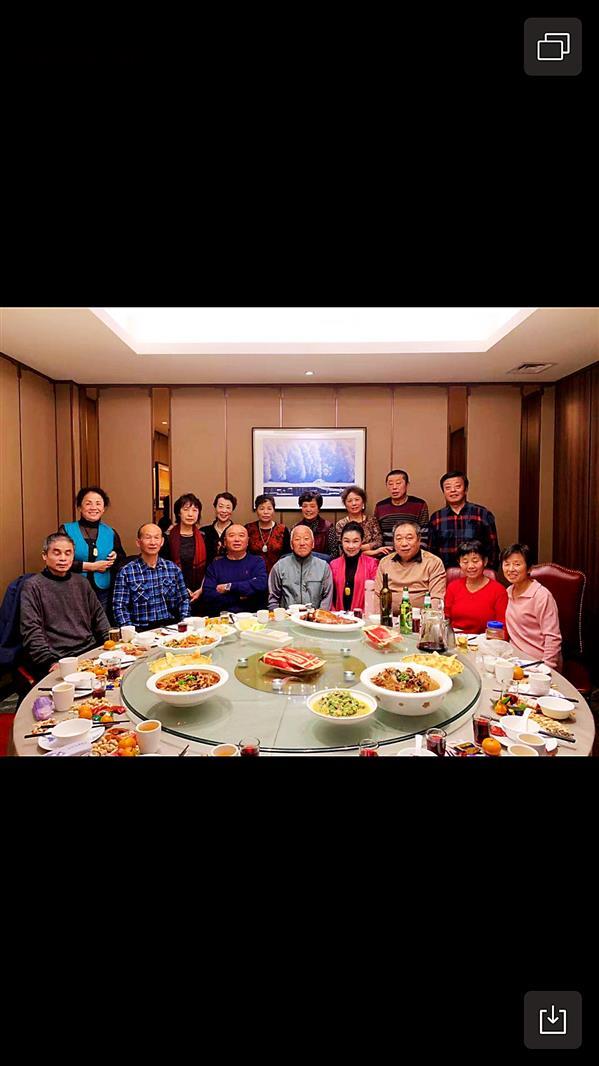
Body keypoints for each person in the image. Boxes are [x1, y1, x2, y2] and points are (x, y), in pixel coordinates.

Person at [20, 532, 110, 680]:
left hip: (88, 651)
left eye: (68, 553)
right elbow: (31, 629)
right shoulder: (33, 586)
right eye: (57, 553)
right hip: (57, 658)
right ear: (44, 555)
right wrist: (48, 662)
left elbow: (99, 617)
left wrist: (111, 644)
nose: (63, 558)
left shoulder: (82, 583)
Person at [60, 485, 126, 617]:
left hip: (103, 591)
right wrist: (91, 567)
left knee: (100, 625)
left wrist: (115, 556)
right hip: (72, 589)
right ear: (79, 507)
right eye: (88, 503)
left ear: (103, 508)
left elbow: (122, 558)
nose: (93, 507)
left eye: (98, 503)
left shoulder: (111, 532)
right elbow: (59, 561)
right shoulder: (66, 530)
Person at [112, 524, 190, 629]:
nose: (153, 542)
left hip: (171, 628)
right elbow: (119, 607)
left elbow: (184, 600)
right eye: (148, 538)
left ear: (162, 541)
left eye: (156, 538)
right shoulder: (126, 572)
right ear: (138, 542)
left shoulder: (173, 569)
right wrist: (130, 631)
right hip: (141, 630)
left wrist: (183, 623)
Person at [502, 543, 562, 669]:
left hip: (537, 662)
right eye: (507, 564)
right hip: (514, 660)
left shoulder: (541, 596)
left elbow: (552, 638)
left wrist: (547, 668)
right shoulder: (508, 592)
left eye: (517, 564)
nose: (511, 569)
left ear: (529, 568)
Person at [428, 470, 499, 570]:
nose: (453, 490)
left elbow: (493, 548)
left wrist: (489, 571)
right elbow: (431, 551)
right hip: (444, 573)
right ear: (443, 492)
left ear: (465, 489)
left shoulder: (482, 514)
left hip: (476, 572)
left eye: (457, 486)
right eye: (448, 488)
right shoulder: (437, 518)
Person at [373, 519, 446, 613]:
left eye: (409, 538)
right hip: (389, 618)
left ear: (419, 540)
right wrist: (377, 619)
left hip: (421, 619)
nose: (404, 544)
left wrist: (427, 620)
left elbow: (436, 599)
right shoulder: (385, 562)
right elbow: (377, 595)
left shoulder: (433, 562)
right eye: (398, 539)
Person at [444, 540, 508, 634]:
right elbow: (445, 618)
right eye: (465, 562)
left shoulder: (498, 590)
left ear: (485, 561)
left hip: (485, 640)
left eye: (475, 561)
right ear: (459, 563)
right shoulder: (453, 587)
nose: (470, 566)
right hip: (456, 638)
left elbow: (503, 628)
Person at [202, 525, 268, 614]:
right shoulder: (215, 565)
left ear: (247, 541)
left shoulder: (257, 561)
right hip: (223, 618)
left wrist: (229, 587)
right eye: (232, 535)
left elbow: (260, 585)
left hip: (253, 617)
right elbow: (208, 596)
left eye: (241, 535)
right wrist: (239, 597)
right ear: (225, 541)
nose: (237, 539)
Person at [161, 493, 207, 615]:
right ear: (178, 513)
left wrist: (201, 589)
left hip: (200, 592)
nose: (190, 514)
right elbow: (164, 568)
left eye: (195, 510)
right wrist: (182, 588)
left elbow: (210, 567)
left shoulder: (204, 537)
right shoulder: (168, 537)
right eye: (186, 509)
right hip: (173, 592)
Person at [268, 526, 334, 610]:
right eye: (297, 539)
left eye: (306, 539)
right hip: (287, 616)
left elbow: (327, 598)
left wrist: (318, 616)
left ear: (313, 543)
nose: (302, 543)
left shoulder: (324, 567)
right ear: (291, 545)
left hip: (315, 616)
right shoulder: (279, 566)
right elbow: (273, 599)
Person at [374, 470, 429, 552]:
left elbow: (424, 534)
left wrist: (416, 554)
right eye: (390, 484)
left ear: (407, 485)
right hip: (387, 555)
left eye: (398, 483)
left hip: (413, 554)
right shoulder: (380, 506)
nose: (394, 487)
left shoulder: (419, 504)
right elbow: (377, 535)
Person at [329, 522, 379, 613]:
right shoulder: (333, 565)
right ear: (341, 541)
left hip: (364, 617)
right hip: (338, 617)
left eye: (355, 541)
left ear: (361, 541)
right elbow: (329, 596)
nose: (351, 546)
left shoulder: (372, 564)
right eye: (346, 541)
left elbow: (376, 595)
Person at [331, 486, 383, 559]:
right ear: (345, 504)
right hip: (349, 560)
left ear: (363, 501)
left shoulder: (372, 520)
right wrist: (372, 552)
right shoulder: (341, 524)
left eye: (357, 499)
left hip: (372, 560)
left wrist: (355, 549)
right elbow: (342, 549)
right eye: (349, 501)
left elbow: (378, 542)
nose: (354, 503)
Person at [245, 494, 291, 573]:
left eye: (269, 509)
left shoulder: (282, 530)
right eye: (261, 509)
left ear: (274, 510)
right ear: (256, 510)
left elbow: (287, 555)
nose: (265, 512)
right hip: (252, 572)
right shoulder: (248, 529)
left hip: (278, 572)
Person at [200, 492, 237, 564]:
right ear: (215, 507)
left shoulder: (237, 532)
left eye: (228, 507)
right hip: (208, 570)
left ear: (232, 510)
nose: (224, 511)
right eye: (220, 506)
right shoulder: (204, 531)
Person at [293, 491, 334, 556]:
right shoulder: (296, 528)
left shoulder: (328, 527)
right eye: (305, 506)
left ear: (318, 508)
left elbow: (334, 554)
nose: (308, 509)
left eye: (312, 506)